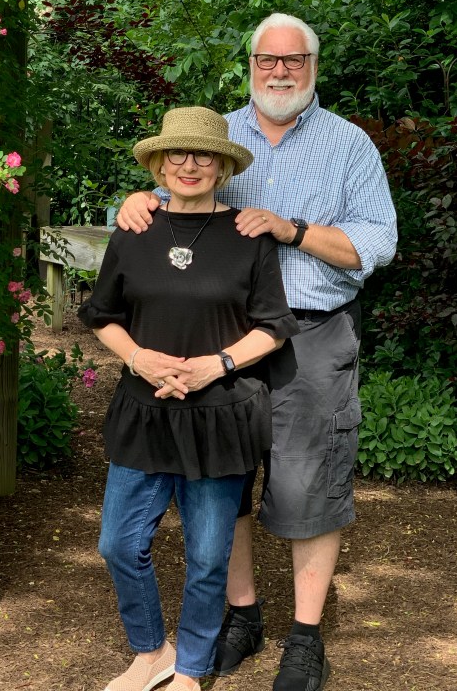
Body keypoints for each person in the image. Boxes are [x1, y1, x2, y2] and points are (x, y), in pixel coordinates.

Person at [116, 13, 397, 691]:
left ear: (313, 67)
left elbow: (377, 243)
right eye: (267, 59)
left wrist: (291, 229)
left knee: (308, 484)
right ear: (250, 66)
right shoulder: (221, 135)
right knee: (223, 482)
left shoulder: (349, 144)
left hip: (312, 334)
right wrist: (136, 199)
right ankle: (243, 615)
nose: (279, 71)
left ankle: (305, 638)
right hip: (221, 337)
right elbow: (174, 198)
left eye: (293, 60)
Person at [79, 106, 299, 691]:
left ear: (222, 167)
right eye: (176, 153)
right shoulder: (134, 229)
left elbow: (273, 326)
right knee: (118, 544)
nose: (189, 164)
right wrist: (139, 358)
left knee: (206, 557)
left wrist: (215, 365)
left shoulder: (248, 237)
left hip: (219, 415)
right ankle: (152, 652)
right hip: (144, 410)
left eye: (204, 154)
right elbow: (102, 315)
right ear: (158, 164)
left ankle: (192, 668)